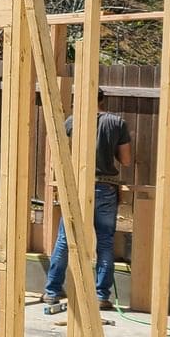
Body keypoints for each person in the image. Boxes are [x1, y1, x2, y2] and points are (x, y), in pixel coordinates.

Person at [43, 88, 131, 311]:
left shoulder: (73, 121)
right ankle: (101, 295)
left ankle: (52, 291)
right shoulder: (117, 122)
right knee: (105, 242)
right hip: (105, 188)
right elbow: (126, 160)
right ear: (103, 99)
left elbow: (57, 152)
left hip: (77, 188)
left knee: (65, 239)